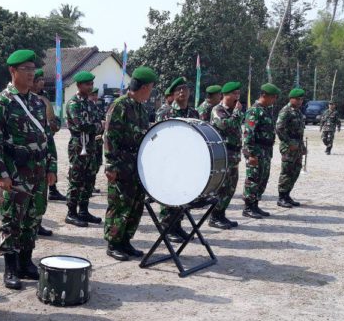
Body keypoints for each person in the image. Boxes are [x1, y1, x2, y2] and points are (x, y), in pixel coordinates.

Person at [0, 50, 57, 289]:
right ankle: (10, 268)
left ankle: (26, 263)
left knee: (33, 216)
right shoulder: (2, 102)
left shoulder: (38, 102)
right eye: (25, 69)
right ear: (13, 72)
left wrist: (51, 167)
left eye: (32, 69)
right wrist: (1, 174)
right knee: (12, 219)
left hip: (38, 170)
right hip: (16, 171)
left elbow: (47, 137)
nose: (31, 74)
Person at [103, 66, 157, 261]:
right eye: (151, 88)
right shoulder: (120, 105)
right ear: (143, 87)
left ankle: (125, 241)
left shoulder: (141, 108)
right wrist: (111, 165)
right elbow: (110, 137)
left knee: (134, 206)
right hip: (121, 165)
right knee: (119, 205)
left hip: (137, 167)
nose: (151, 92)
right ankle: (113, 243)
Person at [154, 77, 198, 242]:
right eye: (178, 90)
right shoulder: (164, 112)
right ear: (173, 94)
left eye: (185, 89)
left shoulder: (193, 113)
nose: (182, 92)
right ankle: (167, 227)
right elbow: (158, 136)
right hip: (169, 159)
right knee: (169, 193)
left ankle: (177, 225)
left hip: (186, 160)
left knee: (183, 193)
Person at [65, 71, 103, 228]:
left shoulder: (90, 103)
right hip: (78, 145)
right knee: (76, 179)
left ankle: (84, 211)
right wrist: (98, 126)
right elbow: (81, 125)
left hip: (91, 145)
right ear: (79, 85)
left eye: (91, 84)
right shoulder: (74, 103)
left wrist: (97, 126)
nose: (90, 87)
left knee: (89, 178)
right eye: (87, 84)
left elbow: (96, 123)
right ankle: (71, 213)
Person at [208, 81, 245, 229]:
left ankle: (221, 214)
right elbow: (226, 125)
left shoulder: (233, 111)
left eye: (238, 94)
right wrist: (236, 113)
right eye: (234, 94)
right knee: (222, 187)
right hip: (223, 154)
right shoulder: (218, 110)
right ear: (225, 95)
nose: (237, 97)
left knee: (231, 187)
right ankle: (214, 216)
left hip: (234, 154)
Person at [242, 83, 280, 219]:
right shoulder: (254, 111)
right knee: (253, 179)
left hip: (265, 151)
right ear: (264, 95)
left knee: (262, 178)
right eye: (273, 97)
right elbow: (248, 134)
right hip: (256, 151)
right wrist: (251, 154)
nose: (274, 100)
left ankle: (255, 205)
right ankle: (248, 207)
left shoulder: (265, 110)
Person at [32, 69, 63, 234]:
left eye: (42, 79)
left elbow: (54, 124)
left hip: (42, 154)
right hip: (25, 160)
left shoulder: (42, 101)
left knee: (40, 195)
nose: (42, 83)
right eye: (38, 80)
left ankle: (37, 223)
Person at [276, 87, 307, 208]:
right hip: (288, 148)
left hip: (297, 146)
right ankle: (281, 197)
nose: (300, 101)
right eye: (298, 99)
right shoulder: (286, 111)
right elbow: (279, 128)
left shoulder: (298, 111)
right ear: (291, 99)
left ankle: (287, 194)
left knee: (295, 171)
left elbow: (299, 132)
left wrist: (302, 146)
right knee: (287, 172)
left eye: (301, 99)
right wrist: (289, 143)